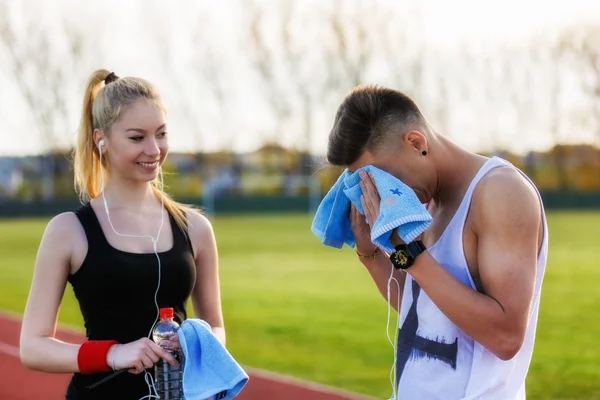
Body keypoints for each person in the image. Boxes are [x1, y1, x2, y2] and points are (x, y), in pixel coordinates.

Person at [327, 85, 547, 399]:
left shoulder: (500, 193)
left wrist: (408, 255)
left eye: (385, 177)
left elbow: (506, 338)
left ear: (417, 143)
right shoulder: (423, 200)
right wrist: (371, 253)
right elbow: (426, 312)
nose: (381, 191)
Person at [20, 69, 225, 399]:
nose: (154, 148)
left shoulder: (196, 228)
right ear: (102, 139)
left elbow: (216, 327)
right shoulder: (68, 231)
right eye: (137, 137)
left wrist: (196, 344)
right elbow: (32, 347)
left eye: (161, 134)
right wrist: (114, 354)